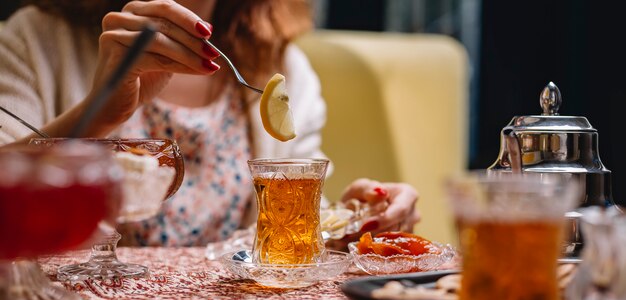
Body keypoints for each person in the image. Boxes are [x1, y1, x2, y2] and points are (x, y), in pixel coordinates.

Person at [0, 0, 421, 247]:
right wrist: (96, 113)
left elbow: (295, 225)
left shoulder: (282, 67)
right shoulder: (37, 40)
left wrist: (357, 218)